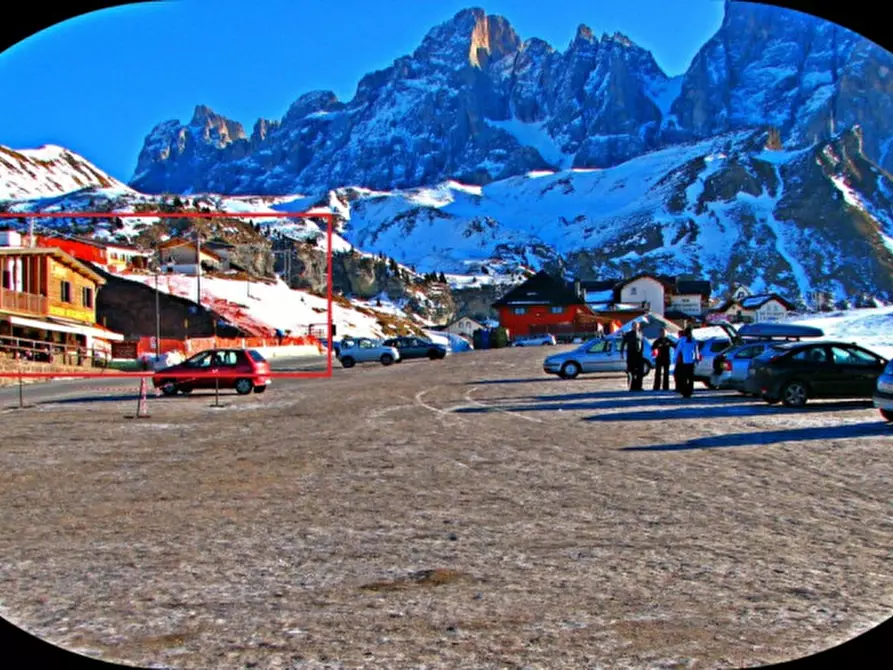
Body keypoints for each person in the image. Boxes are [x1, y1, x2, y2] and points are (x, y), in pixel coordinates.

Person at [674, 325, 700, 398]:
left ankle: (690, 391)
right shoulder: (682, 340)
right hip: (684, 362)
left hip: (691, 362)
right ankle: (685, 392)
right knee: (684, 378)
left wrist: (697, 358)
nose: (689, 334)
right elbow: (678, 350)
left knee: (690, 378)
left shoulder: (693, 340)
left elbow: (696, 349)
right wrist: (675, 359)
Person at [620, 321, 646, 391]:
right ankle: (632, 387)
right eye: (634, 326)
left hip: (639, 355)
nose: (635, 327)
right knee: (631, 372)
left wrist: (642, 353)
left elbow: (642, 344)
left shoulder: (641, 334)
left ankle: (639, 387)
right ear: (632, 326)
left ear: (638, 326)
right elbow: (623, 343)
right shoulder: (628, 334)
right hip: (631, 355)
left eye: (636, 326)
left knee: (640, 372)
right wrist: (621, 353)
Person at [651, 327, 674, 391]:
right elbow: (652, 348)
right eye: (662, 332)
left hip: (666, 359)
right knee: (658, 373)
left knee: (666, 374)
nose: (663, 334)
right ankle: (656, 387)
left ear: (666, 333)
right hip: (659, 359)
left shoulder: (668, 340)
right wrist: (655, 349)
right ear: (660, 333)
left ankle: (666, 387)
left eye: (664, 332)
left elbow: (675, 345)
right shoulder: (657, 341)